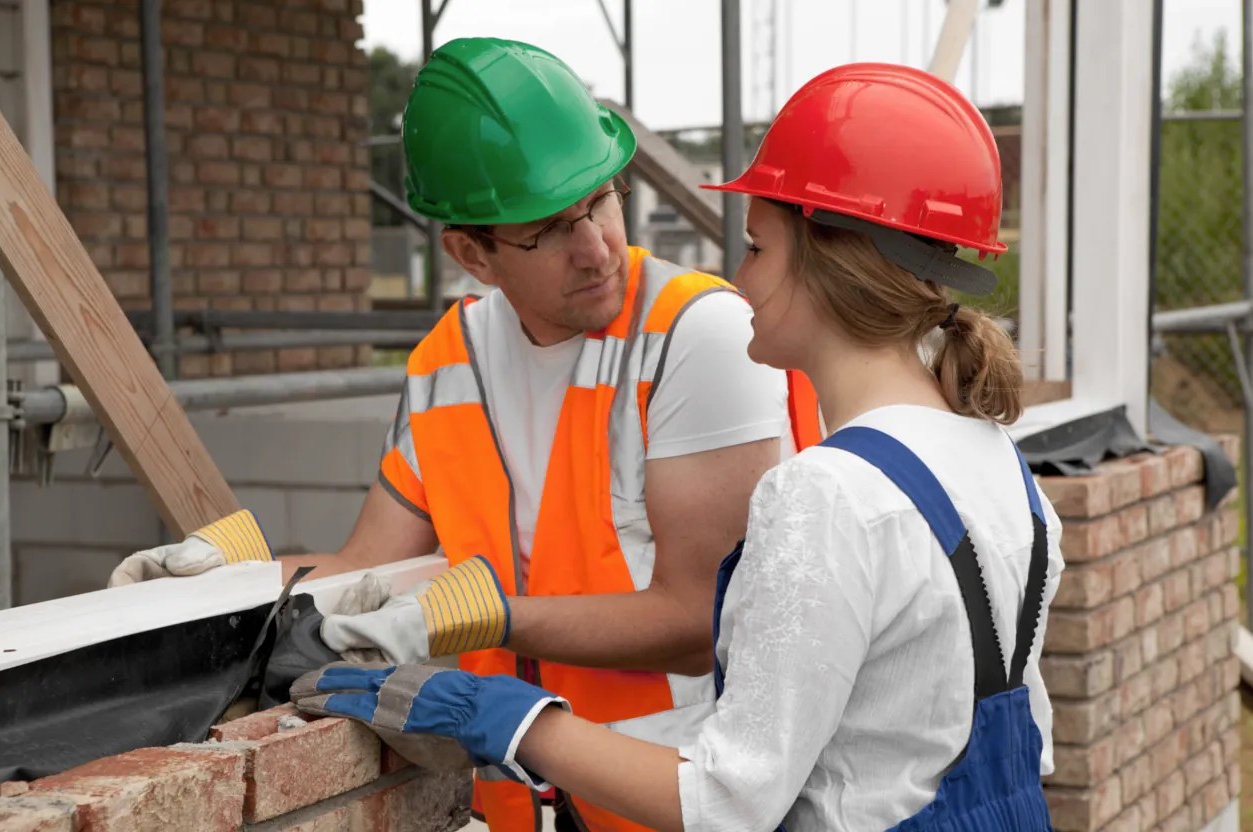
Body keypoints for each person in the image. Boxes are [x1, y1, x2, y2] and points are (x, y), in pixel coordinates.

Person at [290, 62, 1066, 832]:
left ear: (829, 263)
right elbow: (1019, 747)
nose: (736, 276)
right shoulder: (998, 463)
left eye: (756, 248)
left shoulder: (825, 496)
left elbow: (728, 802)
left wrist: (516, 719)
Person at [108, 37, 821, 832]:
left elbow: (699, 623)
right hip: (518, 804)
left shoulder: (696, 333)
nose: (595, 248)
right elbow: (362, 572)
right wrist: (226, 584)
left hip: (680, 801)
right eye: (547, 230)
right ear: (470, 252)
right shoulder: (449, 362)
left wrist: (487, 615)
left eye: (601, 200)